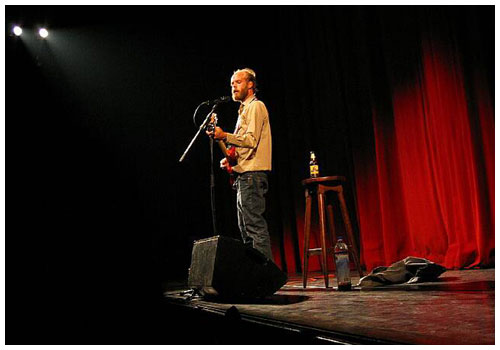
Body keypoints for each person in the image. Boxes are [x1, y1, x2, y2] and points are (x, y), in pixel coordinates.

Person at [206, 68, 273, 261]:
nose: (233, 86)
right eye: (231, 84)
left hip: (252, 174)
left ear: (250, 84)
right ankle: (256, 274)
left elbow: (250, 140)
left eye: (238, 82)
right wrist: (224, 149)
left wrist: (225, 135)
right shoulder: (243, 110)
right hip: (244, 175)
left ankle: (265, 274)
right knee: (245, 229)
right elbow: (239, 148)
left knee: (254, 228)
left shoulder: (256, 106)